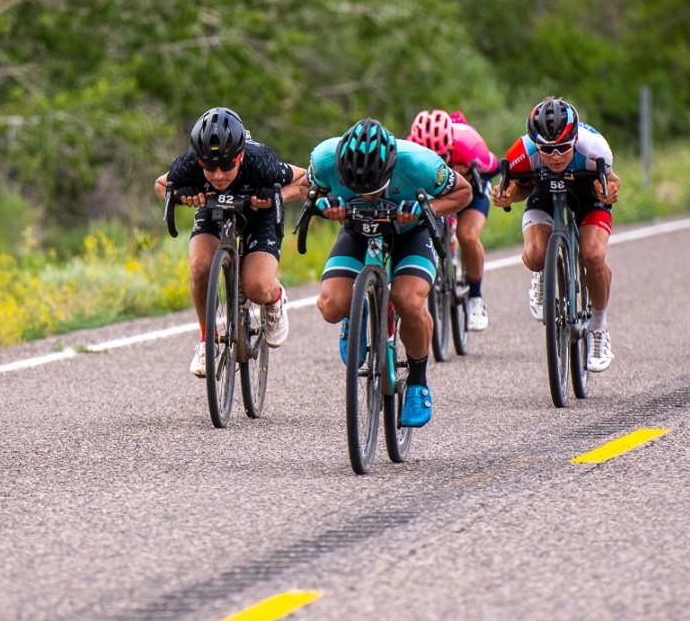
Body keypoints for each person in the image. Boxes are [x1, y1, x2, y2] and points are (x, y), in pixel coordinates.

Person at [309, 119, 472, 429]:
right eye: (359, 189)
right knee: (331, 306)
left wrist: (425, 209)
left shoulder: (421, 165)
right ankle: (353, 314)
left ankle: (418, 384)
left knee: (408, 300)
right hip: (357, 230)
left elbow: (463, 193)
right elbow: (309, 191)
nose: (367, 195)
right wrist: (325, 205)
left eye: (374, 188)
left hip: (411, 231)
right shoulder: (324, 159)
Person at [155, 108, 309, 378]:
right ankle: (207, 341)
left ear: (240, 155)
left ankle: (275, 298)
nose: (217, 175)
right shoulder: (189, 163)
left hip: (259, 215)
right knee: (200, 267)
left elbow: (306, 181)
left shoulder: (261, 161)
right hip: (213, 211)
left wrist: (276, 197)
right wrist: (181, 195)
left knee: (257, 287)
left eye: (227, 166)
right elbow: (160, 185)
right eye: (209, 167)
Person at [492, 97, 621, 372]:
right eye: (547, 151)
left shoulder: (595, 147)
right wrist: (505, 196)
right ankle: (543, 275)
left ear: (575, 139)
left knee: (593, 255)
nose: (556, 156)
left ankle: (599, 330)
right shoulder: (521, 152)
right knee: (535, 255)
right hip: (544, 192)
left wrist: (607, 191)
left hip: (587, 193)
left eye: (563, 148)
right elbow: (517, 187)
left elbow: (612, 182)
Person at [408, 108, 500, 331]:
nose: (436, 164)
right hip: (433, 190)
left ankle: (476, 298)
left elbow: (494, 167)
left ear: (450, 147)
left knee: (467, 236)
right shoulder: (407, 148)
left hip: (470, 186)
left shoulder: (470, 146)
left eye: (442, 159)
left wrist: (469, 172)